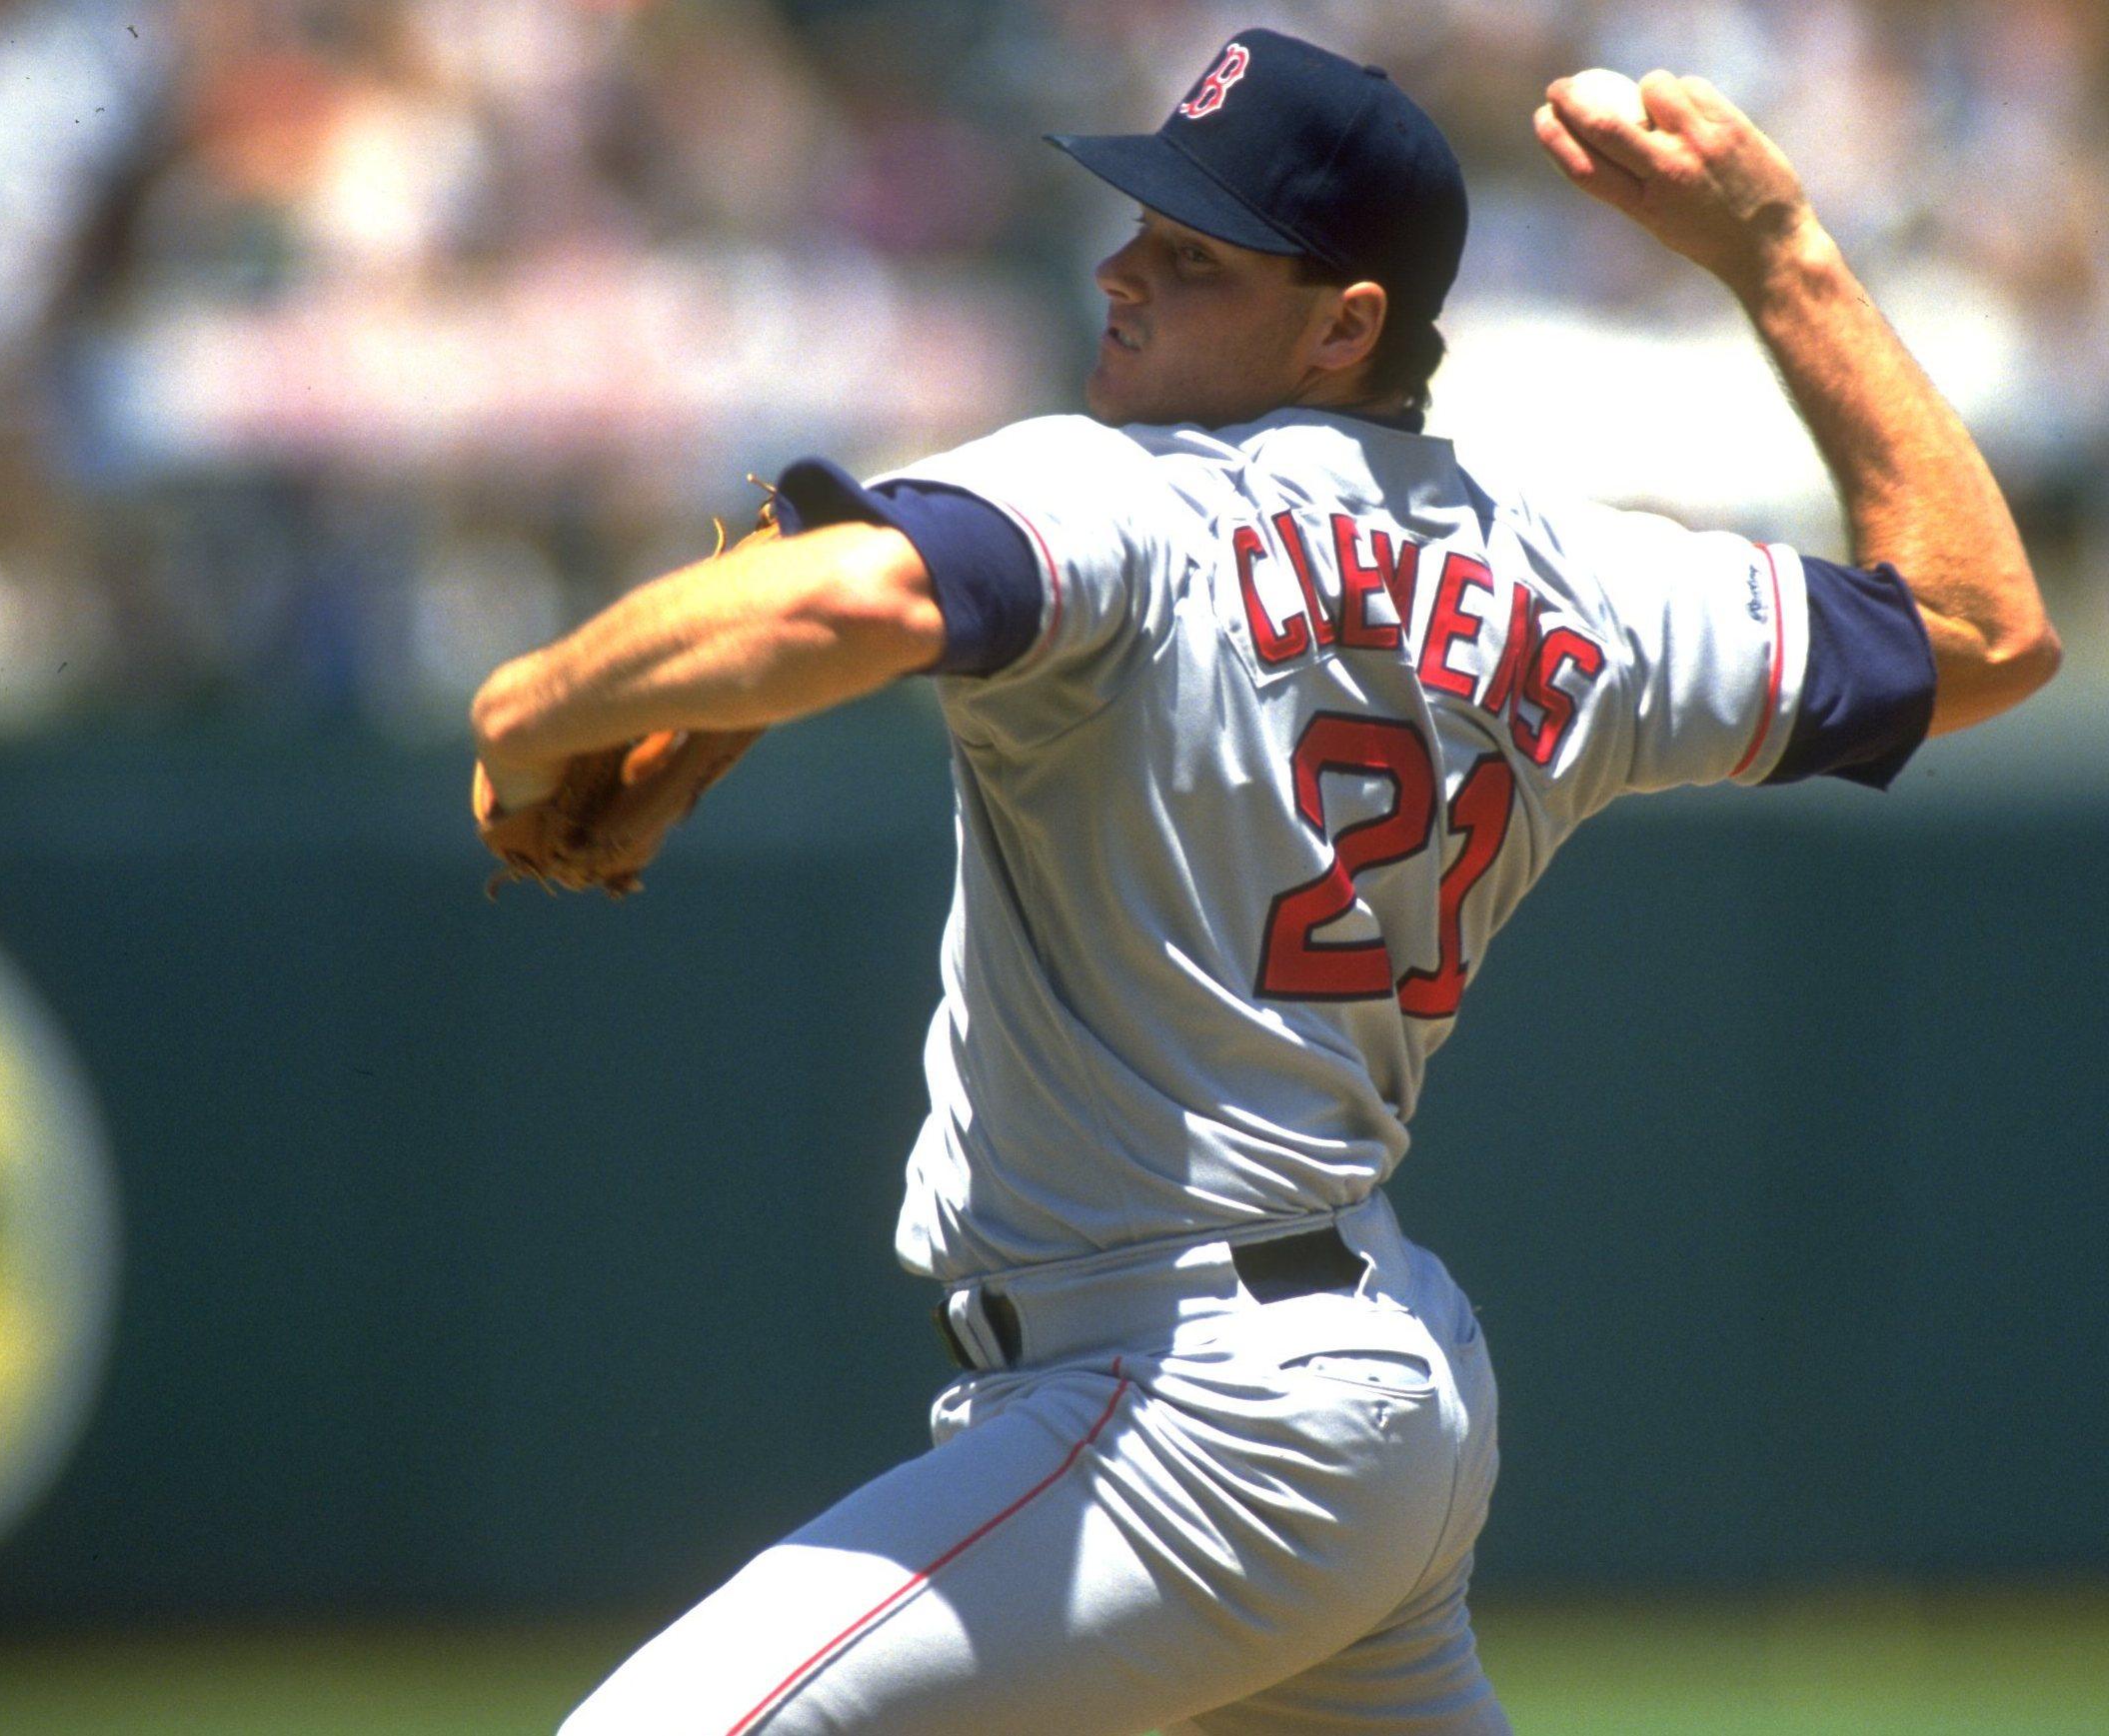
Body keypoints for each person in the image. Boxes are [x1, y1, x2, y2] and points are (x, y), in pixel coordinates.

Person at [470, 28, 2059, 1735]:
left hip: (1179, 1403)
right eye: (1139, 230)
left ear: (1345, 322)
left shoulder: (1122, 491)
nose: (1124, 277)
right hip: (1375, 1391)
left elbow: (848, 605)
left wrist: (521, 707)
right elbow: (1983, 631)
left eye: (1192, 258)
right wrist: (1782, 254)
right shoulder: (1583, 581)